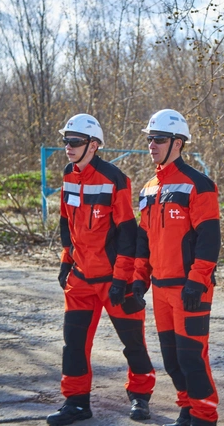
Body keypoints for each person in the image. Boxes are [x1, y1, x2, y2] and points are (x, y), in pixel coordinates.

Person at [47, 113, 156, 425]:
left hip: (113, 280)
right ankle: (76, 403)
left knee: (133, 343)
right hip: (81, 279)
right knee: (74, 346)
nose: (68, 147)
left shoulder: (114, 179)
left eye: (74, 142)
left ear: (93, 145)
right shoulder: (69, 175)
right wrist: (66, 262)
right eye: (65, 141)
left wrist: (125, 279)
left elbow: (127, 233)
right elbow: (66, 224)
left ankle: (140, 397)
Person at [133, 109, 221, 426]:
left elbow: (209, 241)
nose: (151, 144)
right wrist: (137, 282)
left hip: (190, 290)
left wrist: (197, 282)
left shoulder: (199, 184)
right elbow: (144, 241)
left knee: (191, 358)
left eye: (158, 139)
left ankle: (204, 416)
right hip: (160, 289)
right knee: (172, 360)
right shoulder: (148, 189)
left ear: (178, 142)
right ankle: (187, 409)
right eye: (149, 138)